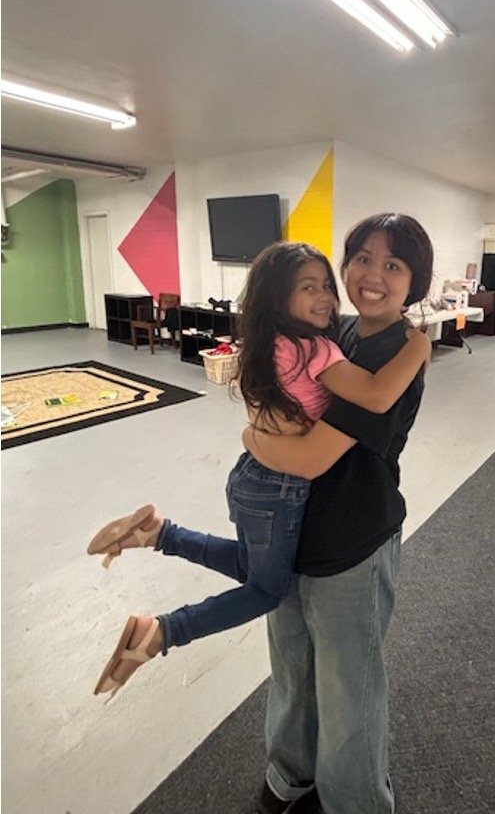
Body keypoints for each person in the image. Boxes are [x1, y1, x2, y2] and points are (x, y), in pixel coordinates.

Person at [87, 240, 430, 698]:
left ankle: (157, 534)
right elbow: (374, 393)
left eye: (327, 285)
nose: (326, 297)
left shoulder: (274, 342)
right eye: (309, 287)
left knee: (255, 566)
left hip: (253, 477)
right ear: (278, 297)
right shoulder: (316, 351)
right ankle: (161, 633)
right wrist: (420, 345)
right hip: (279, 487)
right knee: (268, 590)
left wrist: (251, 436)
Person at [242, 213, 434, 814]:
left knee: (350, 689)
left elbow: (312, 458)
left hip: (353, 544)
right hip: (295, 534)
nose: (372, 276)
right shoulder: (337, 332)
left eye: (393, 265)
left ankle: (355, 803)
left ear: (414, 283)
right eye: (361, 260)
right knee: (294, 668)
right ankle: (289, 777)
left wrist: (252, 441)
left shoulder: (395, 355)